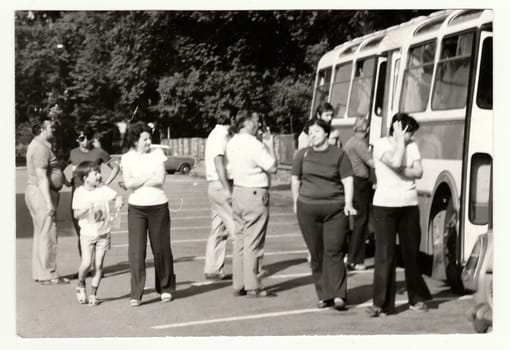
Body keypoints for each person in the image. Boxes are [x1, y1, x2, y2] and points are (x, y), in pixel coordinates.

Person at [366, 113, 432, 317]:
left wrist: (401, 170)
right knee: (385, 255)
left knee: (410, 254)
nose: (412, 137)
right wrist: (400, 143)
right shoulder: (380, 145)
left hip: (409, 205)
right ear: (399, 129)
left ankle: (417, 298)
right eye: (410, 132)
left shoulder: (412, 146)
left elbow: (419, 171)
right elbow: (394, 160)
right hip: (385, 206)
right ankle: (381, 304)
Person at [291, 118, 356, 310]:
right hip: (307, 209)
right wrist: (296, 201)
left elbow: (348, 180)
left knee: (334, 251)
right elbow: (295, 179)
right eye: (310, 132)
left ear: (326, 133)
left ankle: (339, 295)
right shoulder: (302, 155)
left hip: (335, 210)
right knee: (317, 253)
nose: (312, 135)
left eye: (317, 132)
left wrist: (348, 203)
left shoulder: (339, 154)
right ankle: (324, 295)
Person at [120, 121, 176, 306]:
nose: (148, 141)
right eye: (144, 138)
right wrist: (147, 177)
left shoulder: (157, 154)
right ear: (135, 140)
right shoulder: (127, 158)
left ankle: (165, 288)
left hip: (158, 206)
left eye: (149, 137)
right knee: (136, 251)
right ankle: (136, 293)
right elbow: (128, 184)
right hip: (136, 208)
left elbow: (160, 179)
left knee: (161, 249)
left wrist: (138, 181)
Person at [226, 110, 278, 297]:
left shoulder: (232, 143)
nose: (258, 125)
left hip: (239, 190)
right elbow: (272, 167)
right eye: (256, 121)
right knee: (254, 240)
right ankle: (253, 284)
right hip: (255, 192)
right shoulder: (255, 145)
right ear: (247, 123)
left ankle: (238, 283)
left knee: (239, 238)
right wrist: (270, 146)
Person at [24, 116, 70, 285]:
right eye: (51, 126)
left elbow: (53, 171)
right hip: (41, 194)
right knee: (48, 234)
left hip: (39, 192)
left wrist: (64, 181)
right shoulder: (40, 148)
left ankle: (41, 273)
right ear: (41, 130)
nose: (55, 128)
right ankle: (49, 274)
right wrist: (49, 203)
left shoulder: (42, 146)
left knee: (42, 234)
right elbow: (42, 177)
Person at [72, 161, 124, 306]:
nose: (99, 176)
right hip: (87, 234)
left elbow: (117, 196)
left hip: (103, 233)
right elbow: (76, 214)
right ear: (85, 178)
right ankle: (81, 284)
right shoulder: (79, 193)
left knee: (99, 264)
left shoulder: (103, 189)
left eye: (99, 172)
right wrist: (85, 209)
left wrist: (119, 201)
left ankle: (93, 294)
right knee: (86, 263)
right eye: (95, 173)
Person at [65, 127, 120, 258]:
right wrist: (66, 182)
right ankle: (85, 264)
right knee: (81, 231)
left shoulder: (98, 152)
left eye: (88, 137)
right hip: (78, 194)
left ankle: (97, 265)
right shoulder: (72, 153)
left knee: (97, 230)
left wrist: (105, 183)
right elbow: (59, 168)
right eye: (82, 138)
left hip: (96, 195)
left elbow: (116, 167)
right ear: (77, 139)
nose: (85, 141)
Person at [203, 105, 235, 280]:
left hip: (214, 184)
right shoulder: (221, 135)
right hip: (221, 184)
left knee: (218, 228)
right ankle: (245, 270)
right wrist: (227, 188)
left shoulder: (214, 134)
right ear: (231, 119)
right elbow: (218, 161)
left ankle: (213, 268)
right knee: (236, 227)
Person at [343, 118, 374, 271]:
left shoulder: (350, 142)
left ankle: (351, 256)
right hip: (360, 183)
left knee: (356, 221)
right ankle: (355, 259)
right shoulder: (360, 144)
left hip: (352, 183)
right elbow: (372, 162)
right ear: (367, 129)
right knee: (361, 221)